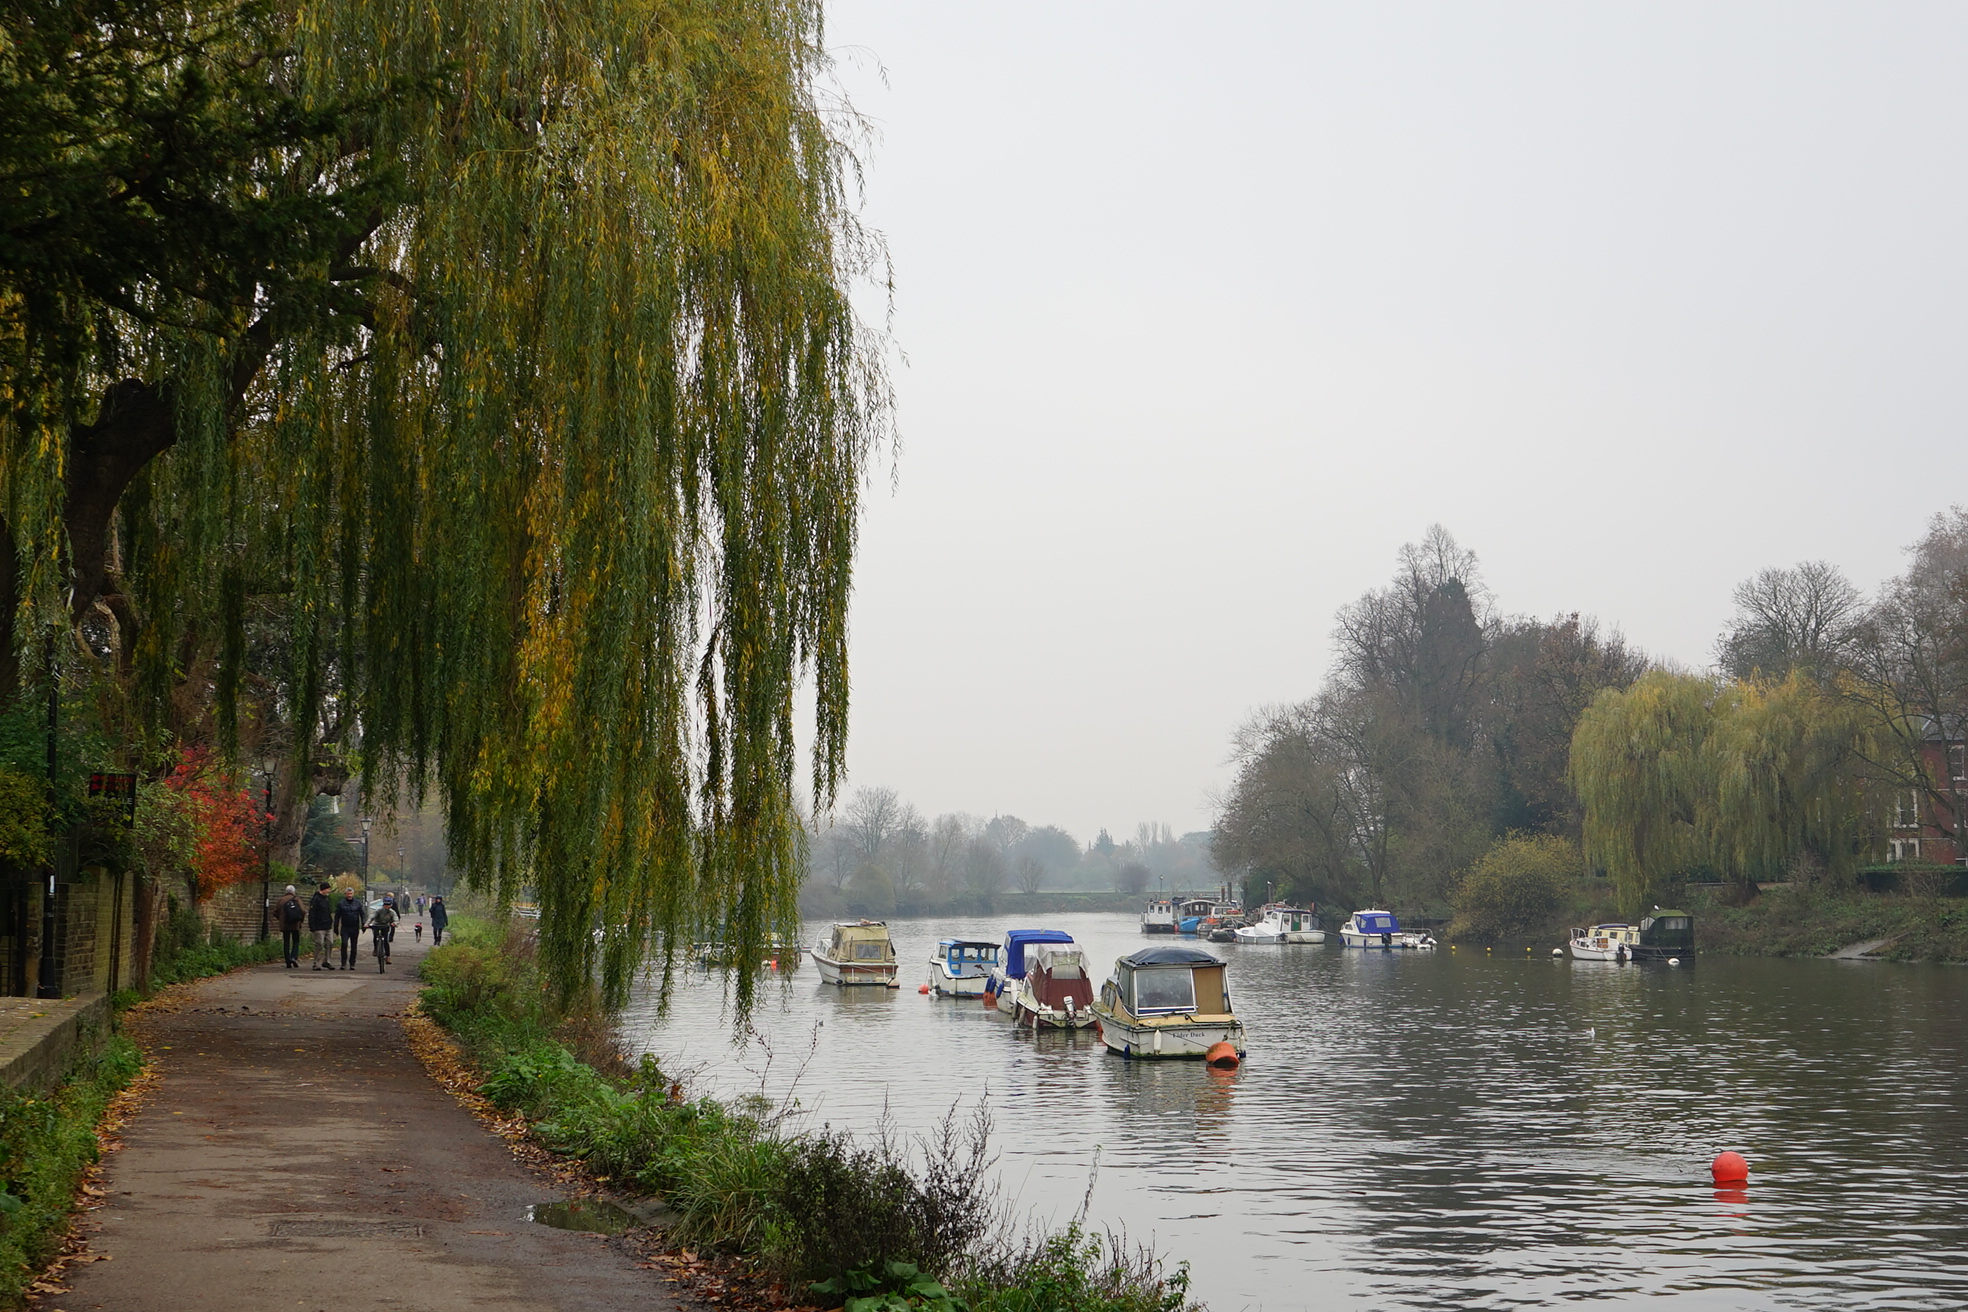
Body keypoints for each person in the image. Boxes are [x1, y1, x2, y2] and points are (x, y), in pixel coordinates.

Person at [333, 888, 366, 969]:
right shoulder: (341, 903)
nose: (349, 895)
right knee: (344, 944)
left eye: (351, 894)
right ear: (345, 894)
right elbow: (337, 916)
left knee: (354, 946)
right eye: (348, 894)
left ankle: (352, 963)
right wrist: (335, 927)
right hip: (345, 927)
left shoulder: (358, 903)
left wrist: (363, 924)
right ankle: (343, 963)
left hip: (354, 927)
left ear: (353, 894)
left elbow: (362, 914)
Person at [307, 881, 335, 970]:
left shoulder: (326, 899)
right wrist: (312, 926)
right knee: (319, 944)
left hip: (327, 925)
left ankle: (327, 961)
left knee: (330, 943)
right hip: (318, 926)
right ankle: (316, 963)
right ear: (323, 889)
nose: (329, 891)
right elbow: (312, 913)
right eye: (328, 889)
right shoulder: (315, 899)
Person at [276, 885, 306, 967]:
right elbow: (303, 910)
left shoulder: (281, 900)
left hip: (285, 924)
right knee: (296, 941)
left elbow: (275, 912)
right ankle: (293, 957)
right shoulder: (297, 899)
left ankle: (287, 961)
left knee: (286, 942)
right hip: (295, 924)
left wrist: (281, 919)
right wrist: (300, 921)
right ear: (293, 891)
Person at [370, 895, 399, 968]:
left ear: (391, 905)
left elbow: (396, 919)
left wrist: (394, 923)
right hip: (377, 925)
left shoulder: (392, 912)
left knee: (386, 941)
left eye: (388, 905)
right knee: (375, 937)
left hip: (385, 926)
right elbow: (371, 917)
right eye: (385, 905)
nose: (386, 906)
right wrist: (367, 924)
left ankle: (388, 956)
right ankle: (376, 949)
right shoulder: (378, 910)